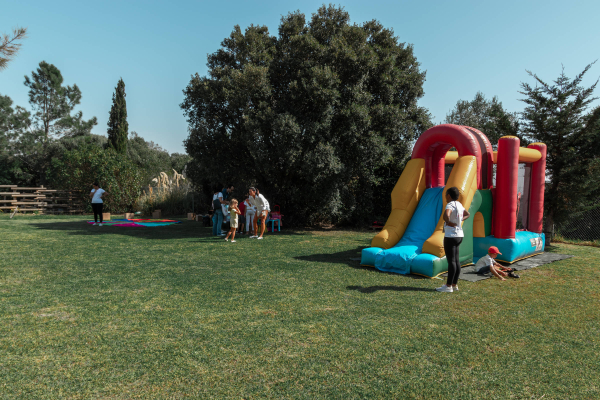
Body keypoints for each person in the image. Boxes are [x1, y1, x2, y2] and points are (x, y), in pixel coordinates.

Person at [436, 186, 470, 293]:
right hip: (459, 235)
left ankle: (448, 286)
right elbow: (467, 214)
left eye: (446, 195)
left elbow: (446, 216)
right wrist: (459, 221)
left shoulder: (450, 204)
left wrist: (449, 222)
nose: (445, 197)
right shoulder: (459, 204)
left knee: (451, 261)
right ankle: (454, 284)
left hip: (451, 236)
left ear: (449, 195)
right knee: (456, 261)